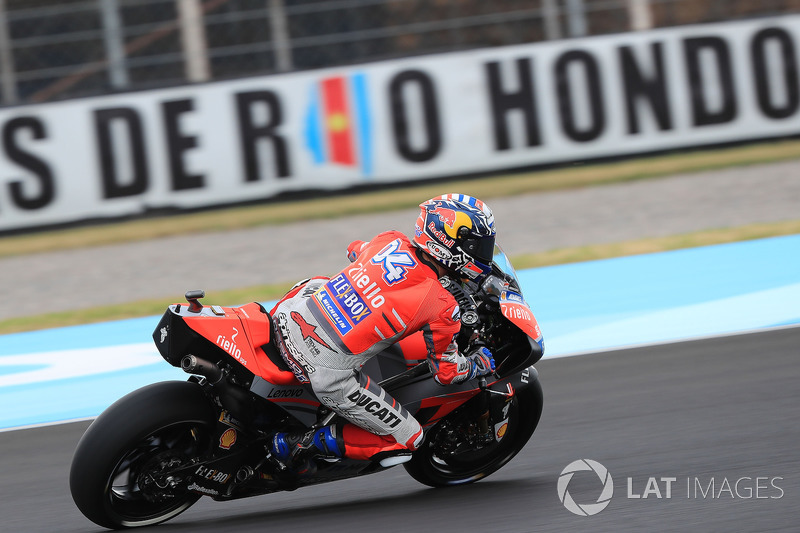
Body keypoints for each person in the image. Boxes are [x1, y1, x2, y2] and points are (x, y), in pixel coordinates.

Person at [270, 193, 497, 468]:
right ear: (453, 244)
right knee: (410, 439)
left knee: (321, 281)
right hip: (323, 370)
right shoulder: (442, 306)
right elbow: (446, 372)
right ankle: (299, 443)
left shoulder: (390, 239)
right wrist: (477, 363)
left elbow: (355, 249)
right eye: (477, 245)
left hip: (285, 316)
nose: (483, 252)